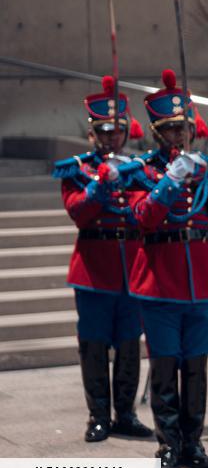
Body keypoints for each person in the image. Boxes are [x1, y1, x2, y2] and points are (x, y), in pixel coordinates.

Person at [123, 69, 208, 468]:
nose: (180, 135)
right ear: (157, 131)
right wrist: (170, 182)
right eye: (171, 128)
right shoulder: (141, 172)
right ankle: (168, 445)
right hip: (160, 285)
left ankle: (192, 443)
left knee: (195, 367)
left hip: (204, 285)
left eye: (184, 127)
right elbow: (144, 218)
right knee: (164, 367)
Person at [52, 75, 153, 443]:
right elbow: (78, 213)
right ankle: (98, 416)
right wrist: (99, 186)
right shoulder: (76, 170)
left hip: (132, 266)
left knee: (129, 343)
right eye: (103, 132)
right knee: (94, 343)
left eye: (116, 132)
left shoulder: (139, 169)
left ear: (126, 133)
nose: (111, 138)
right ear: (92, 133)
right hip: (94, 268)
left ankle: (125, 414)